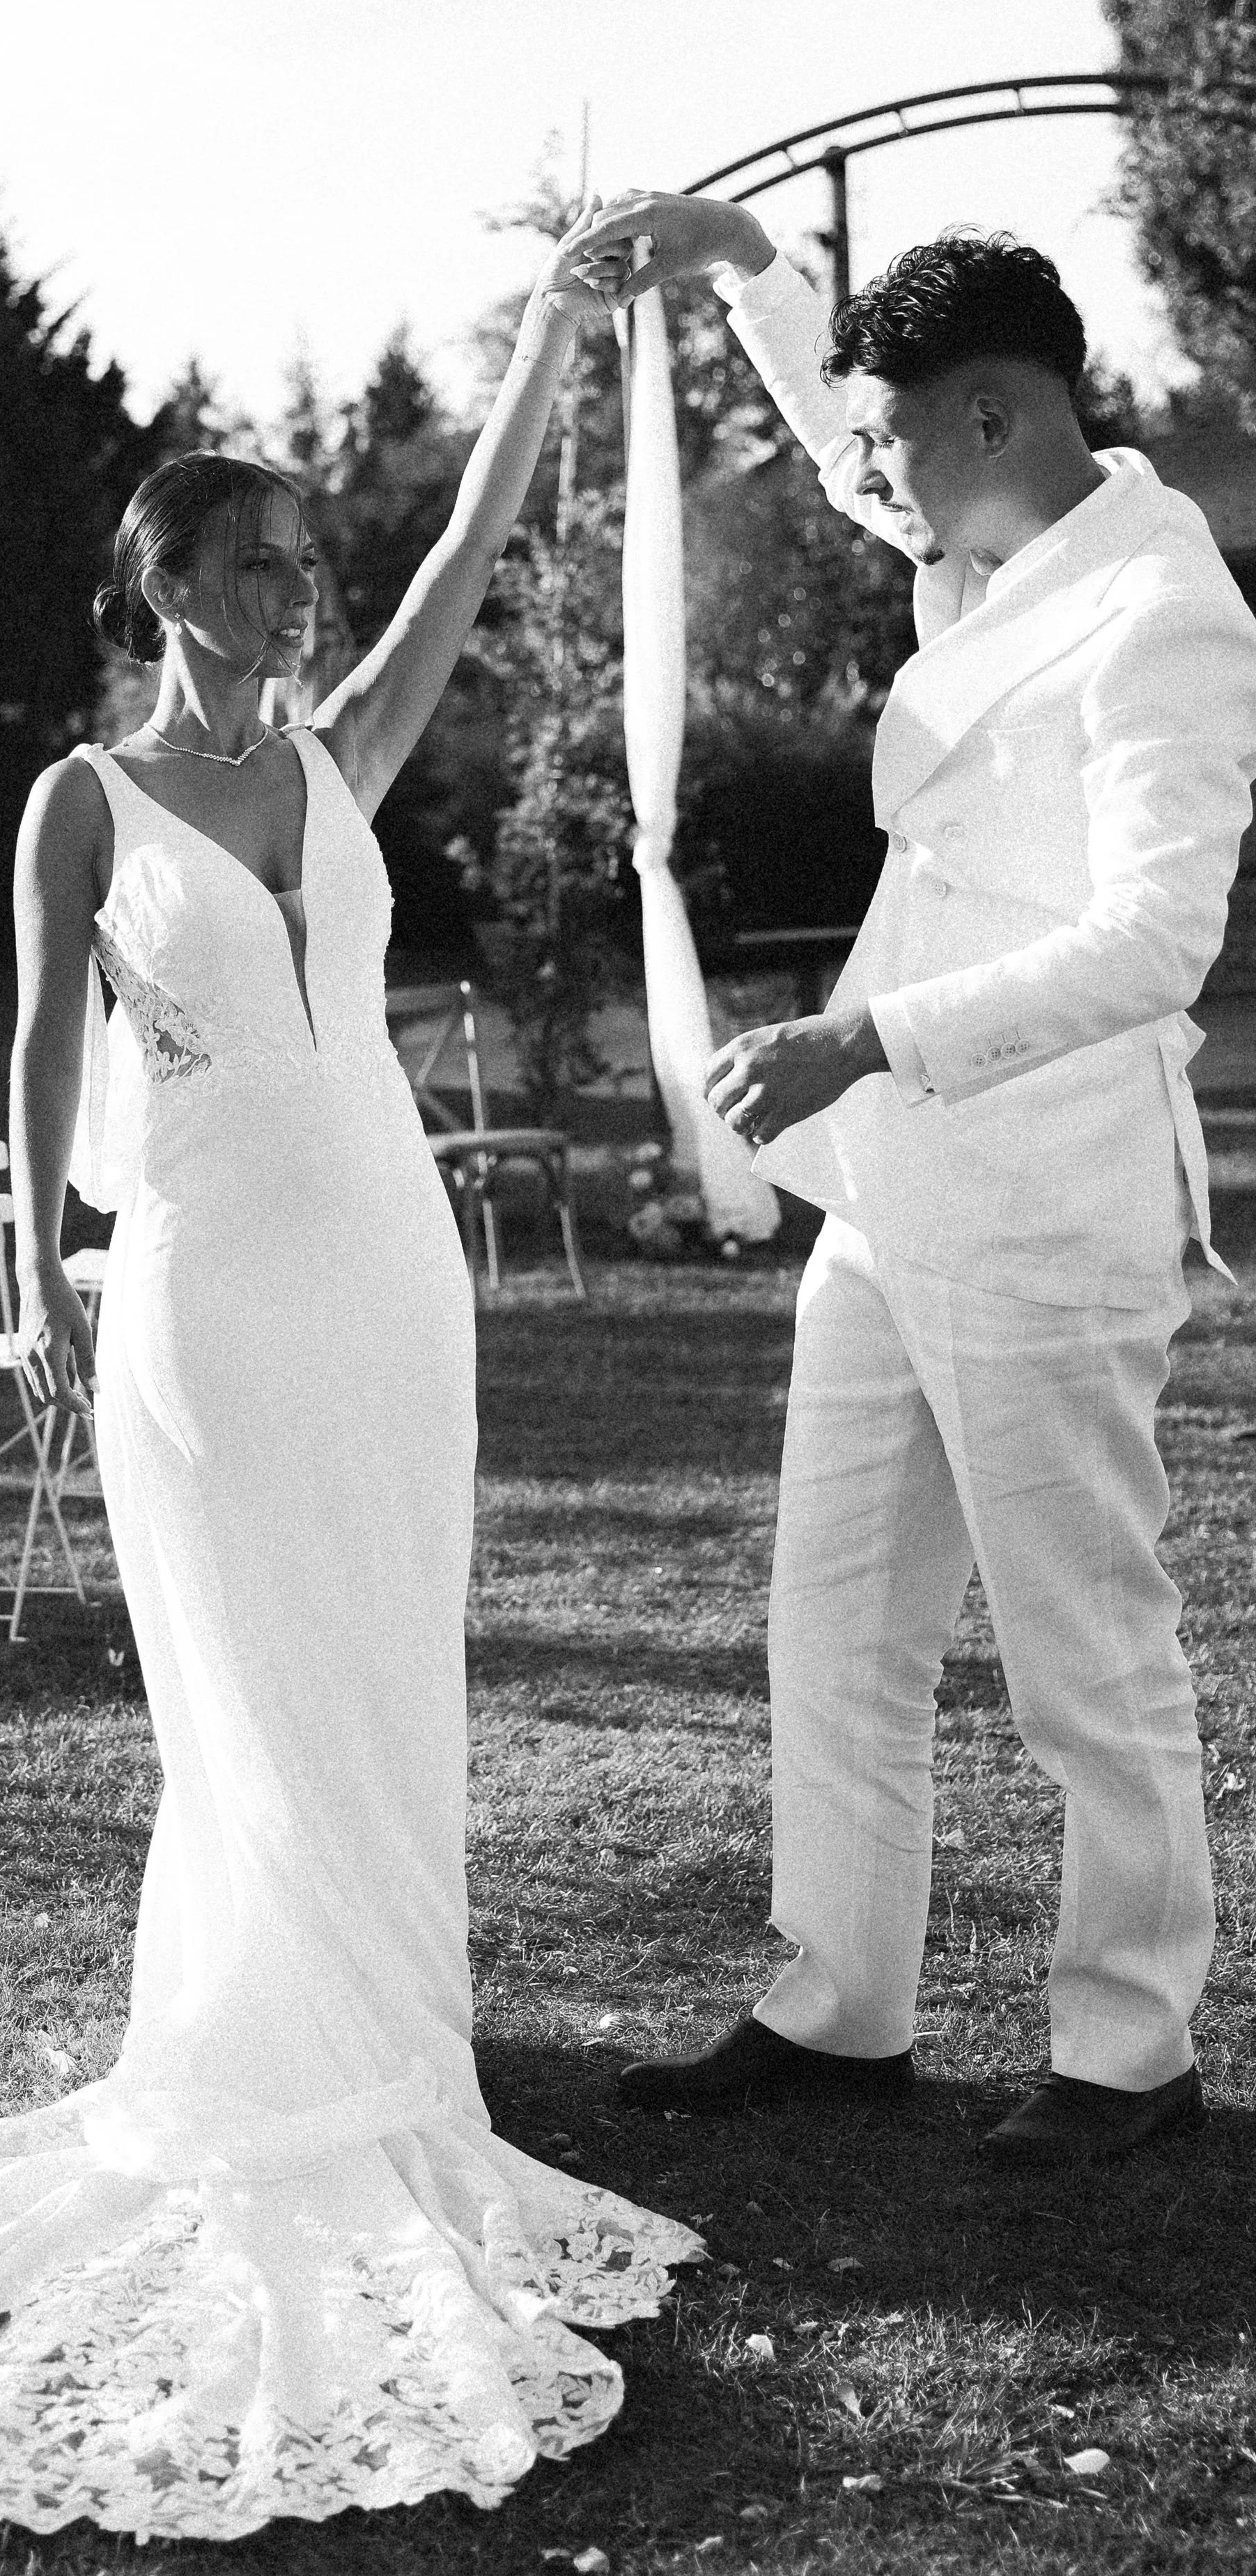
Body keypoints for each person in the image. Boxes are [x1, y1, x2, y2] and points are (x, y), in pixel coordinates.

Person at [0, 208, 701, 2544]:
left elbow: (480, 550)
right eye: (260, 565)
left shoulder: (352, 747)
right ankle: (272, 2054)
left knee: (383, 1659)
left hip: (393, 1269)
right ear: (161, 582)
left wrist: (546, 337)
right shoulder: (80, 804)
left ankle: (404, 2042)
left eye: (309, 565)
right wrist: (48, 1273)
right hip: (195, 1278)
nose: (301, 598)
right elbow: (25, 1060)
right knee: (244, 1680)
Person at [570, 195, 1256, 2164]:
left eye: (887, 441)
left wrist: (867, 1034)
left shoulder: (1160, 608)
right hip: (892, 1205)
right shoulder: (977, 545)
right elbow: (830, 413)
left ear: (982, 419)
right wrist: (731, 259)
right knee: (835, 1620)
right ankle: (838, 2001)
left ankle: (1128, 2048)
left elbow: (1154, 946)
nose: (856, 473)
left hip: (1045, 1199)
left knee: (1080, 1645)